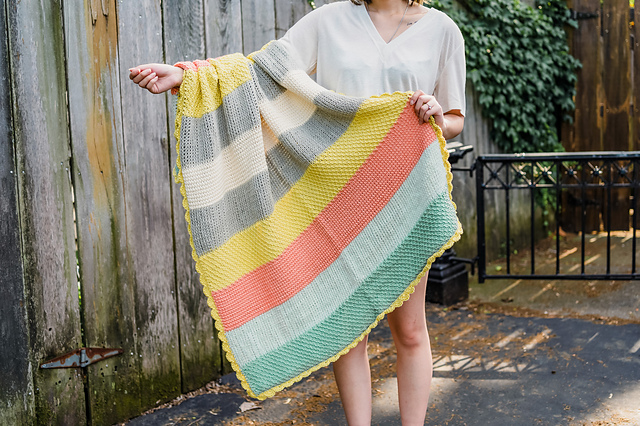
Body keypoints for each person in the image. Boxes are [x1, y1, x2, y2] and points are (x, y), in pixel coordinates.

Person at [130, 0, 465, 423]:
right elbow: (258, 71)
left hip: (404, 195)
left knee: (411, 331)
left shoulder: (442, 29)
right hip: (336, 195)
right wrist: (188, 75)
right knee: (350, 333)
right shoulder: (328, 20)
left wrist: (437, 118)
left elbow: (454, 118)